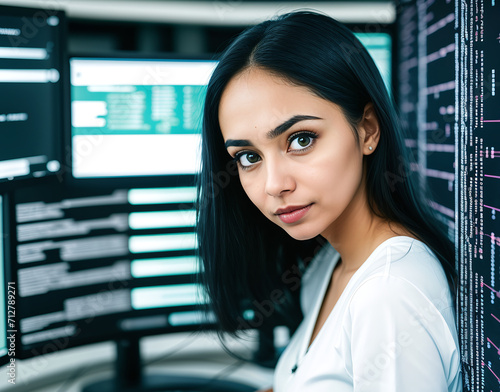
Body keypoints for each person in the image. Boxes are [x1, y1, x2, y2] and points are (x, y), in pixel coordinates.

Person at [196, 10, 462, 392]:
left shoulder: (388, 295)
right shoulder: (328, 264)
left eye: (301, 139)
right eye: (249, 157)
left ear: (368, 129)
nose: (274, 185)